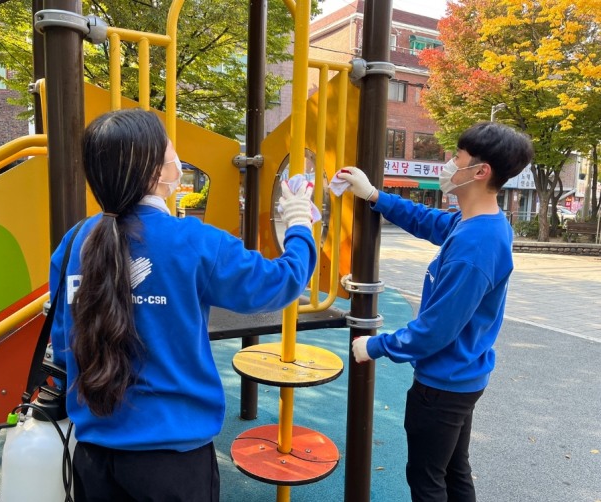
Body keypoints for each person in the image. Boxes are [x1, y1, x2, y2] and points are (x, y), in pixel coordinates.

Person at [49, 108, 317, 501]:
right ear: (157, 172)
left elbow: (62, 341)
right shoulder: (194, 241)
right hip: (173, 461)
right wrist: (298, 225)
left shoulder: (75, 242)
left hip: (94, 456)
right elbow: (280, 283)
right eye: (169, 149)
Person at [336, 121, 533, 502]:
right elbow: (430, 221)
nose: (447, 163)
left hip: (442, 385)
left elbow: (436, 329)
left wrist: (374, 347)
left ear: (480, 171)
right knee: (454, 471)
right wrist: (377, 196)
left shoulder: (476, 245)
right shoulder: (479, 223)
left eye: (455, 157)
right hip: (464, 376)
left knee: (427, 480)